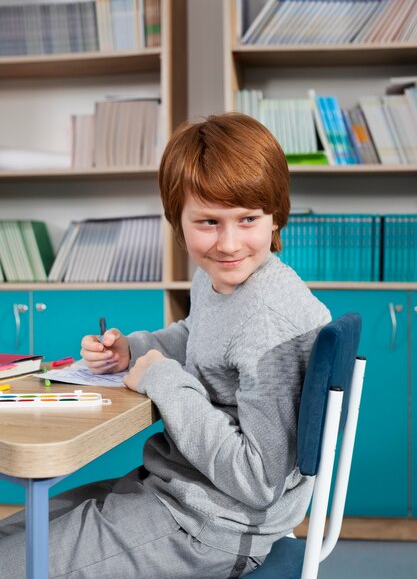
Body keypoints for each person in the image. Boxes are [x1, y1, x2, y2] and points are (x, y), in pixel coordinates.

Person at [0, 113, 330, 579]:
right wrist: (133, 350)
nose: (229, 243)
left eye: (248, 219)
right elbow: (197, 335)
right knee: (11, 539)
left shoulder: (270, 319)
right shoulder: (221, 280)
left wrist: (162, 377)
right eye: (208, 222)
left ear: (276, 213)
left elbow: (259, 481)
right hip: (178, 493)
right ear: (178, 219)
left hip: (213, 527)